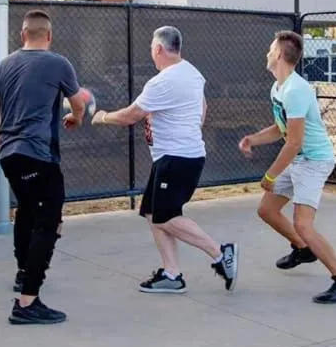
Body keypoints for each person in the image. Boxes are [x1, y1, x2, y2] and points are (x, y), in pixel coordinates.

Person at [92, 25, 239, 294]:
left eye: (151, 49)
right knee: (151, 213)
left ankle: (220, 253)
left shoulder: (163, 81)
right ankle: (171, 274)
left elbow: (130, 115)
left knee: (164, 217)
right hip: (175, 157)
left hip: (177, 159)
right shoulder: (193, 73)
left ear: (159, 49)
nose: (151, 54)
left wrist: (102, 117)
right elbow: (202, 109)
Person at [238, 30, 336, 304]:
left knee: (304, 224)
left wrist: (271, 175)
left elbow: (293, 142)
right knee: (267, 210)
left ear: (279, 55)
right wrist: (253, 139)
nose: (267, 52)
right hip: (299, 158)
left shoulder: (296, 89)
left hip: (314, 161)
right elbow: (282, 127)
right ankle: (304, 250)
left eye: (271, 49)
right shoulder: (279, 88)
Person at [0, 9, 86, 325]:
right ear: (49, 36)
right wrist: (76, 118)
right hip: (39, 155)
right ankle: (27, 302)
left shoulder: (3, 66)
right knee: (49, 221)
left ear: (22, 34)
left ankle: (22, 273)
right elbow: (79, 102)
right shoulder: (58, 64)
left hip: (11, 156)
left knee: (27, 212)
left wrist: (3, 148)